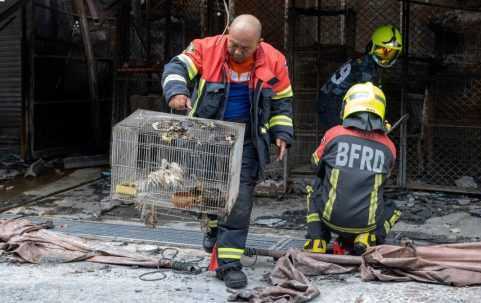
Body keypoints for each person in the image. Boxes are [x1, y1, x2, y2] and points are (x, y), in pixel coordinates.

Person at [161, 14, 293, 289]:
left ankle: (229, 264)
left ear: (259, 43)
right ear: (227, 34)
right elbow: (176, 67)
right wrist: (176, 90)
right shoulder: (205, 48)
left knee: (239, 201)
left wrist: (282, 134)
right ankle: (212, 227)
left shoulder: (275, 60)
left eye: (245, 47)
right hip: (206, 138)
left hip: (246, 141)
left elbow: (282, 101)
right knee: (209, 194)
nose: (236, 51)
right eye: (233, 43)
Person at [304, 82, 401, 255]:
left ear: (347, 106)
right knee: (391, 207)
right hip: (366, 222)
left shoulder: (334, 134)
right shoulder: (389, 147)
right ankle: (366, 237)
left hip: (330, 219)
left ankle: (317, 239)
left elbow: (314, 164)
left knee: (314, 186)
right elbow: (385, 177)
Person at [318, 24, 402, 132]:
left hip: (328, 101)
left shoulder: (364, 61)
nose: (385, 58)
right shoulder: (366, 68)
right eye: (382, 51)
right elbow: (366, 102)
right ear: (372, 47)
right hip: (332, 105)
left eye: (391, 54)